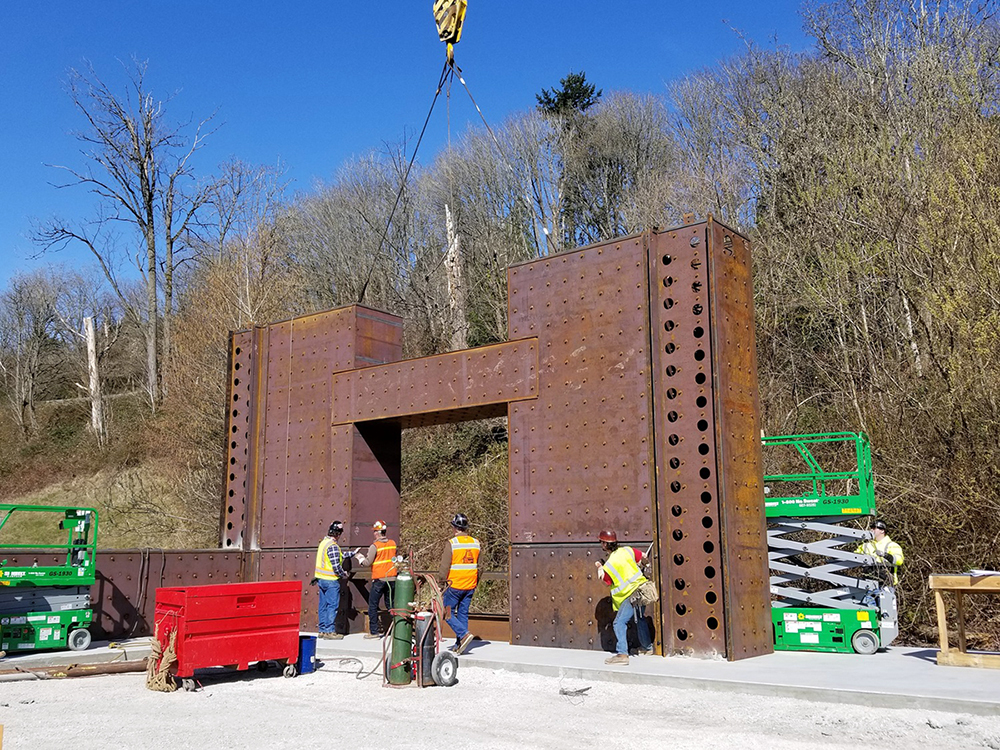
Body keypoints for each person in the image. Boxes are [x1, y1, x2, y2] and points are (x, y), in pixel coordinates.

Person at [595, 528, 653, 665]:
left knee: (619, 622)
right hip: (642, 589)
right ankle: (647, 648)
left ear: (604, 544)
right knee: (640, 618)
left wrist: (600, 569)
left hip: (630, 594)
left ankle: (622, 654)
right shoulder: (628, 550)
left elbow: (607, 581)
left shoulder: (609, 564)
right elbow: (643, 557)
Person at [440, 513, 480, 655]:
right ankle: (460, 644)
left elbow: (445, 567)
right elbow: (480, 566)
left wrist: (440, 582)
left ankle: (463, 635)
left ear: (454, 528)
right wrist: (475, 581)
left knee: (446, 612)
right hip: (470, 585)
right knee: (462, 614)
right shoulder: (476, 543)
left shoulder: (452, 544)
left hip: (455, 585)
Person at [354, 520, 398, 639]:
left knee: (373, 605)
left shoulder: (375, 546)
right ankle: (397, 630)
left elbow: (368, 562)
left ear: (378, 532)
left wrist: (360, 558)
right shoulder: (393, 543)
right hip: (392, 579)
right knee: (391, 605)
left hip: (379, 580)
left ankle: (374, 632)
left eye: (374, 532)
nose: (374, 534)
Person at [315, 520, 347, 640]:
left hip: (321, 579)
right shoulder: (333, 546)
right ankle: (330, 631)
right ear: (338, 534)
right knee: (332, 606)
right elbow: (336, 566)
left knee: (322, 605)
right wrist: (343, 574)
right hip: (331, 580)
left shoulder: (324, 543)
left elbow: (337, 556)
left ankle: (322, 630)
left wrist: (351, 554)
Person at [856, 518, 904, 585]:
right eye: (871, 527)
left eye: (874, 528)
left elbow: (899, 561)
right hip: (867, 584)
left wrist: (886, 555)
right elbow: (854, 556)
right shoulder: (865, 546)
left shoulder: (892, 545)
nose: (871, 530)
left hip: (886, 584)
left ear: (882, 530)